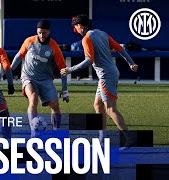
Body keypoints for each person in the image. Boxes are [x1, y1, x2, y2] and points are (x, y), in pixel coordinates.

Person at [61, 14, 139, 146]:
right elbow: (120, 49)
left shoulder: (86, 39)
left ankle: (129, 138)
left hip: (106, 76)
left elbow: (88, 60)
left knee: (110, 109)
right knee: (98, 105)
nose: (76, 31)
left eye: (75, 28)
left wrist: (70, 69)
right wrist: (131, 63)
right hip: (111, 73)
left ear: (80, 26)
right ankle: (101, 139)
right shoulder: (102, 33)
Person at [11, 20, 69, 138]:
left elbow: (63, 69)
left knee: (55, 105)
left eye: (44, 33)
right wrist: (9, 70)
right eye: (39, 33)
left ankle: (56, 132)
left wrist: (65, 90)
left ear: (49, 32)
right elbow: (19, 56)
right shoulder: (29, 41)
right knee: (33, 97)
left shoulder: (54, 47)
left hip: (46, 79)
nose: (42, 35)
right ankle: (34, 133)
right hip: (29, 76)